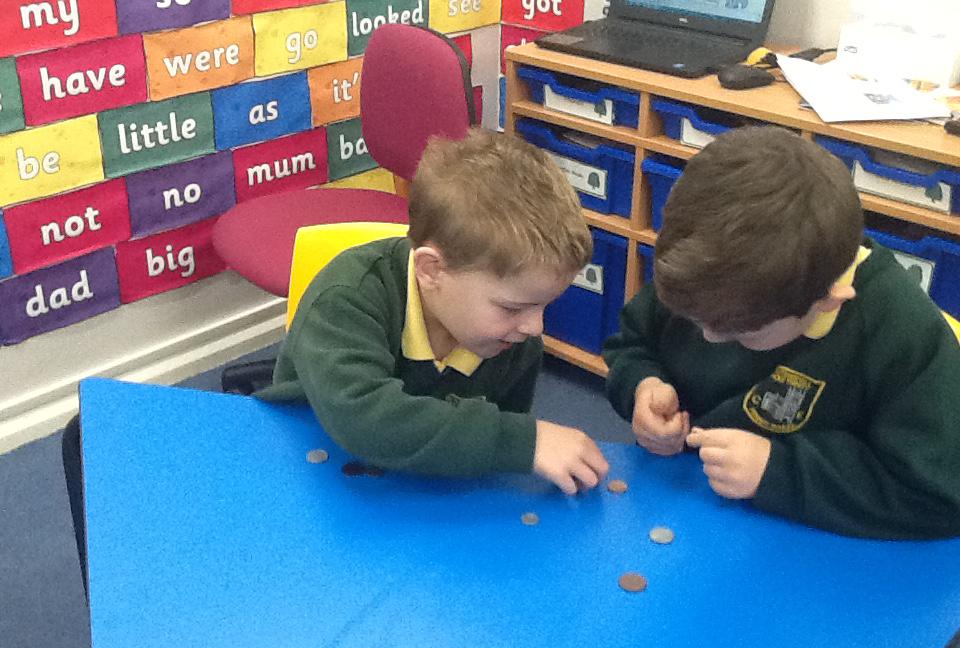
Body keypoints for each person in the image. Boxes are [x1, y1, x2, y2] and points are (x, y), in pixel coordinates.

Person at [603, 126, 960, 539]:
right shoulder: (709, 280)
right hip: (690, 508)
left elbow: (937, 494)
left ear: (828, 301)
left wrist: (777, 471)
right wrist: (642, 387)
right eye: (694, 320)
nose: (709, 338)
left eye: (743, 334)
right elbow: (633, 343)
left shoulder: (901, 332)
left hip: (813, 542)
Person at [257, 128, 609, 494]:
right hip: (302, 466)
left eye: (545, 305)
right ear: (431, 271)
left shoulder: (511, 338)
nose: (535, 327)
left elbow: (488, 446)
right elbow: (365, 418)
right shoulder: (346, 299)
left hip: (413, 488)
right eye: (512, 307)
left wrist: (507, 444)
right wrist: (523, 441)